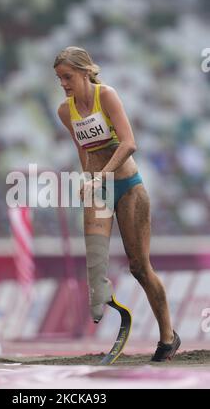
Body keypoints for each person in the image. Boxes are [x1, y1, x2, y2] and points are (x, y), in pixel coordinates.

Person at [54, 46, 181, 362]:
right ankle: (103, 309)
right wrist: (89, 179)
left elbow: (129, 143)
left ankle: (168, 336)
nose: (63, 84)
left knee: (139, 267)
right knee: (95, 266)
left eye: (67, 77)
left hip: (127, 188)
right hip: (98, 190)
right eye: (59, 79)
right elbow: (83, 149)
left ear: (85, 72)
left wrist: (102, 176)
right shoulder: (64, 111)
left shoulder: (106, 95)